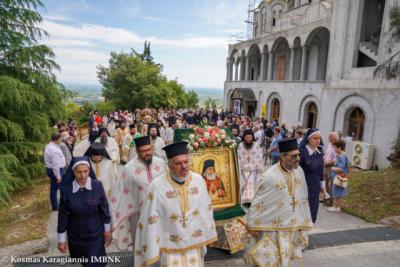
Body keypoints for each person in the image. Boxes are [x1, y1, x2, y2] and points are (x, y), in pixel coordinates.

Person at [134, 142, 217, 267]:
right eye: (178, 163)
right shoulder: (157, 186)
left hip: (194, 243)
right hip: (169, 245)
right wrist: (153, 246)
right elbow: (150, 219)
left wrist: (204, 236)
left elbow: (206, 210)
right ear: (169, 165)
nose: (184, 166)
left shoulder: (198, 181)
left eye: (186, 162)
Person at [244, 138, 313, 267]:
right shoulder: (269, 176)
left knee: (285, 259)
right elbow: (258, 203)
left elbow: (302, 198)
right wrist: (252, 225)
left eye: (298, 155)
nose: (298, 158)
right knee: (271, 261)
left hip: (290, 226)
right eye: (293, 156)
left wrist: (301, 222)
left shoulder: (299, 172)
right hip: (271, 228)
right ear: (283, 156)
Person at [111, 136, 166, 251]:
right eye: (144, 151)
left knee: (161, 243)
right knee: (142, 246)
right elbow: (120, 192)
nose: (148, 153)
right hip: (139, 215)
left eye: (149, 149)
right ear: (137, 151)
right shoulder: (128, 169)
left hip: (161, 212)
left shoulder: (161, 164)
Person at [57, 157, 112, 266]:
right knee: (85, 263)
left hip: (95, 234)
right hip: (76, 236)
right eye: (79, 172)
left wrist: (107, 231)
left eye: (86, 171)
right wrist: (61, 239)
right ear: (73, 172)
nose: (83, 175)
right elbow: (63, 216)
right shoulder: (67, 190)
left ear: (89, 170)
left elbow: (104, 209)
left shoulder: (97, 185)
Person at [299, 128, 324, 223]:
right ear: (309, 139)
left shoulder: (320, 151)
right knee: (302, 212)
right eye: (315, 138)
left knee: (312, 212)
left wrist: (323, 185)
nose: (318, 140)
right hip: (303, 187)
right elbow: (297, 170)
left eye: (319, 138)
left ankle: (307, 232)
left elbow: (321, 169)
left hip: (315, 187)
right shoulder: (302, 152)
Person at [237, 129, 264, 207]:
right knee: (244, 184)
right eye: (247, 137)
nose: (248, 139)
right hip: (243, 169)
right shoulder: (241, 145)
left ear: (252, 137)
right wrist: (243, 164)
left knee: (250, 184)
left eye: (250, 137)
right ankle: (246, 200)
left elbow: (259, 156)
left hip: (253, 169)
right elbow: (239, 156)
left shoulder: (256, 145)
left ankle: (249, 201)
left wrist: (255, 165)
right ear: (244, 137)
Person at [44, 132, 66, 211]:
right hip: (56, 170)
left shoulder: (49, 145)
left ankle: (56, 204)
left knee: (55, 187)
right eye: (60, 138)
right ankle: (55, 206)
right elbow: (55, 164)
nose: (61, 140)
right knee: (54, 188)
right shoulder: (54, 150)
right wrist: (58, 176)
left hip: (52, 169)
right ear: (57, 139)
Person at [328, 140, 349, 212]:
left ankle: (336, 207)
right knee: (337, 191)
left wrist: (332, 168)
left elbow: (340, 168)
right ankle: (336, 206)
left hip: (339, 177)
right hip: (339, 177)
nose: (334, 149)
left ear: (339, 148)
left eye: (335, 147)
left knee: (338, 192)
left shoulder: (342, 157)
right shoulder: (342, 155)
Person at [324, 132, 339, 203]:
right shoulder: (330, 144)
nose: (328, 138)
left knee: (331, 184)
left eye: (330, 137)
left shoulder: (337, 146)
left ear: (334, 138)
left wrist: (328, 162)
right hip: (326, 166)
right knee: (325, 182)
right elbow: (326, 153)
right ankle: (326, 197)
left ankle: (330, 200)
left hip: (332, 167)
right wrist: (324, 159)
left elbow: (337, 158)